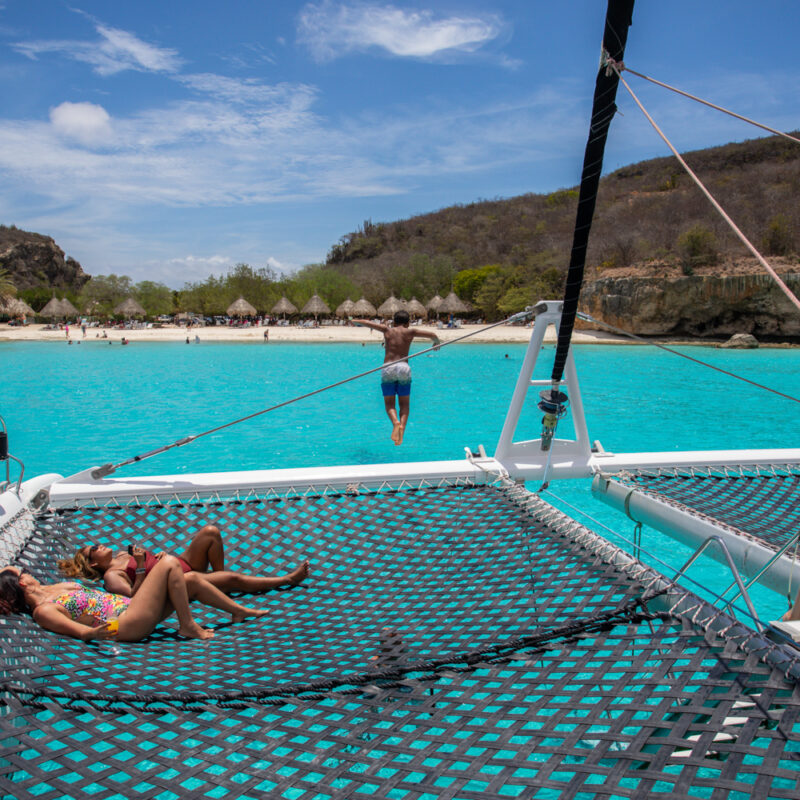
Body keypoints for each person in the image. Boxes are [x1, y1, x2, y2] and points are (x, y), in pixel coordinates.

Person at [0, 560, 269, 643]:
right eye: (23, 573)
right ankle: (187, 626)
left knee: (190, 582)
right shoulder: (43, 610)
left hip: (134, 609)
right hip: (126, 625)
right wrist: (96, 632)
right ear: (22, 583)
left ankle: (238, 611)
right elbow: (80, 632)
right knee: (169, 564)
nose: (28, 572)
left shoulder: (53, 588)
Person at [58, 523, 310, 598]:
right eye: (95, 549)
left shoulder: (125, 553)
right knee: (232, 579)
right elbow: (135, 598)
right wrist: (145, 566)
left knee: (211, 532)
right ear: (93, 564)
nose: (100, 545)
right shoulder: (112, 577)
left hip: (182, 563)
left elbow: (153, 562)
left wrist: (160, 556)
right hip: (180, 581)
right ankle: (287, 579)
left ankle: (219, 582)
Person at [353, 310, 440, 445]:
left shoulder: (387, 330)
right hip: (404, 367)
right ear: (408, 323)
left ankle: (395, 422)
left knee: (389, 404)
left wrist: (353, 320)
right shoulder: (411, 332)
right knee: (404, 404)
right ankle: (402, 430)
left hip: (389, 367)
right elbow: (433, 335)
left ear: (394, 322)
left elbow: (366, 322)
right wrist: (436, 343)